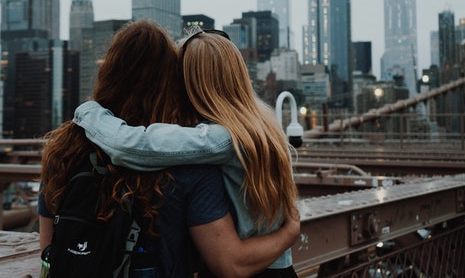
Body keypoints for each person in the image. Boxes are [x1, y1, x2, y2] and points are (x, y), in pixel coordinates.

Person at [38, 21, 299, 277]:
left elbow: (49, 250)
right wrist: (289, 232)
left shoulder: (62, 150)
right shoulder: (264, 129)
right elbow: (227, 259)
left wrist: (88, 112)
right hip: (270, 263)